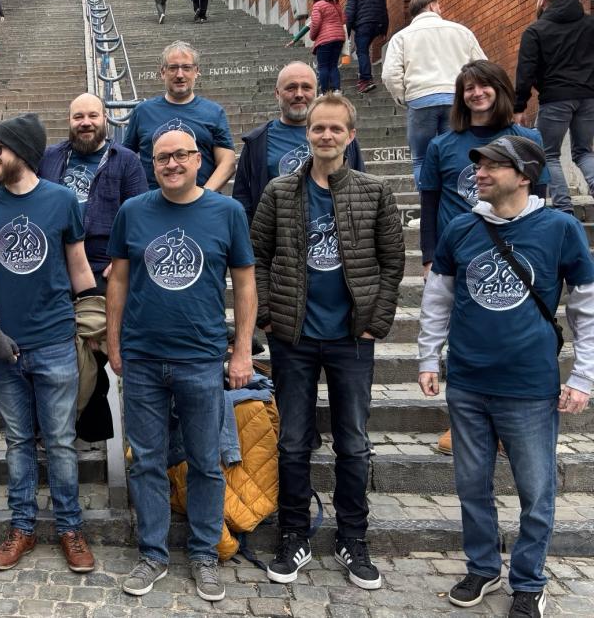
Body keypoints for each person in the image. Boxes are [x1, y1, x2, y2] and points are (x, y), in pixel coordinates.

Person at [417, 135, 594, 618]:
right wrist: (429, 358)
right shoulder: (460, 228)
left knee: (536, 491)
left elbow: (585, 306)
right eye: (479, 164)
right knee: (472, 484)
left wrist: (583, 376)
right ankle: (481, 565)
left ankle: (529, 580)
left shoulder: (559, 227)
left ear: (525, 175)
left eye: (495, 165)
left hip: (529, 387)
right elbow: (437, 300)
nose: (481, 171)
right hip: (469, 382)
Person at [252, 93, 404, 591]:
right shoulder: (279, 191)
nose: (326, 136)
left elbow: (391, 261)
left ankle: (352, 537)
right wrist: (269, 317)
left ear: (350, 135)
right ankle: (293, 532)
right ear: (307, 133)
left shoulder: (375, 191)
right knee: (293, 440)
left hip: (351, 338)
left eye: (336, 129)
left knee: (354, 442)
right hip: (293, 337)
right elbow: (256, 257)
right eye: (318, 128)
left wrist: (376, 322)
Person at [107, 129, 256, 602]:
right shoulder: (132, 212)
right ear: (152, 164)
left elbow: (246, 284)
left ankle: (204, 554)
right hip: (144, 358)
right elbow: (118, 283)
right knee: (146, 461)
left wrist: (242, 349)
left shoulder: (227, 212)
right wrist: (114, 343)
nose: (171, 164)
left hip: (201, 357)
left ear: (199, 160)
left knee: (207, 463)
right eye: (161, 158)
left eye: (181, 156)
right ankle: (152, 553)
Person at [0, 113, 98, 573]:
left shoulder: (61, 200)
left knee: (60, 441)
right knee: (19, 440)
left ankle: (70, 528)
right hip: (5, 347)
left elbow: (79, 268)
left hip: (57, 341)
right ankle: (22, 527)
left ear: (23, 151)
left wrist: (96, 320)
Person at [418, 61, 555, 457]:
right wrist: (429, 256)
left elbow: (540, 202)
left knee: (511, 331)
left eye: (484, 86)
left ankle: (512, 422)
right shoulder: (443, 145)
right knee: (464, 335)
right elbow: (429, 205)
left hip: (515, 254)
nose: (476, 94)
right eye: (468, 88)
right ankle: (462, 422)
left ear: (499, 89)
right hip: (458, 254)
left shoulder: (525, 137)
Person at [37, 92, 148, 289]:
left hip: (103, 266)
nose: (85, 122)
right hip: (53, 264)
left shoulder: (126, 160)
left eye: (93, 116)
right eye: (78, 117)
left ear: (105, 119)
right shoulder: (49, 157)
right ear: (69, 121)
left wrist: (123, 261)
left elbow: (141, 217)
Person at [233, 62, 365, 222]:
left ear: (316, 93)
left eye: (307, 87)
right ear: (277, 93)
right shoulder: (256, 142)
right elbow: (242, 198)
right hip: (279, 239)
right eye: (291, 88)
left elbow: (361, 191)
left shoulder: (341, 138)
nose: (299, 94)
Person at [381, 0, 486, 184]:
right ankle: (456, 202)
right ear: (430, 6)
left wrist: (403, 97)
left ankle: (428, 206)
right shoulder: (461, 31)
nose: (440, 9)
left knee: (421, 159)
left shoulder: (401, 37)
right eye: (438, 5)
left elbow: (389, 74)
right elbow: (483, 67)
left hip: (420, 100)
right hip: (456, 100)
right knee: (456, 156)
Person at [514, 0, 594, 214]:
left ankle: (563, 206)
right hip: (588, 97)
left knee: (548, 153)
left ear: (542, 0)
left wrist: (519, 106)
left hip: (555, 98)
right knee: (584, 152)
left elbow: (526, 70)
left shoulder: (536, 30)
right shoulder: (590, 24)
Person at [124, 41, 236, 191]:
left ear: (196, 71)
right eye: (173, 68)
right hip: (153, 205)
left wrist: (202, 196)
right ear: (163, 72)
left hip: (201, 208)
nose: (180, 75)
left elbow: (227, 162)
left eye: (186, 68)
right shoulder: (143, 111)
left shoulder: (214, 113)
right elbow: (124, 158)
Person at [343, 0, 388, 94]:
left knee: (362, 51)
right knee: (364, 50)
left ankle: (366, 80)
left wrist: (346, 34)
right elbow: (384, 10)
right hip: (377, 25)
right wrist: (384, 29)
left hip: (363, 26)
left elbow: (349, 14)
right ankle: (366, 75)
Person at [308, 0, 346, 96]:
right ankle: (337, 90)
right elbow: (344, 19)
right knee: (333, 65)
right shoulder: (336, 4)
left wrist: (312, 36)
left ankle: (324, 92)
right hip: (339, 38)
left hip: (325, 40)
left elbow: (316, 23)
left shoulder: (318, 5)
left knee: (323, 66)